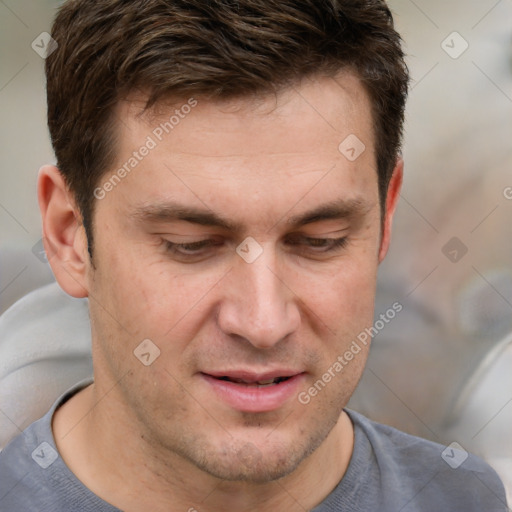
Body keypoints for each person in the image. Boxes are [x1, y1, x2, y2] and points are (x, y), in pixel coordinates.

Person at [0, 0, 508, 510]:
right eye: (190, 246)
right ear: (68, 236)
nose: (263, 323)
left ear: (386, 217)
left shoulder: (466, 498)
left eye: (321, 240)